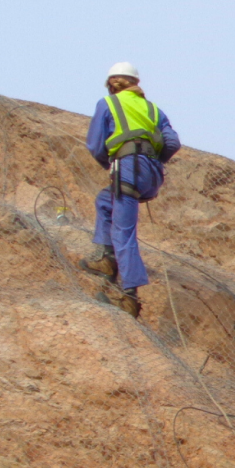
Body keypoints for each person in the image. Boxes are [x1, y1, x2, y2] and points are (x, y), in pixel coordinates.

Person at [80, 62, 180, 317]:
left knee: (123, 231)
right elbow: (172, 143)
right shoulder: (153, 110)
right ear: (136, 83)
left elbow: (95, 144)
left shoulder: (108, 104)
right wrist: (151, 159)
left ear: (111, 84)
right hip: (151, 173)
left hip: (128, 168)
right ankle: (107, 259)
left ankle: (130, 298)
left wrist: (112, 163)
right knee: (105, 200)